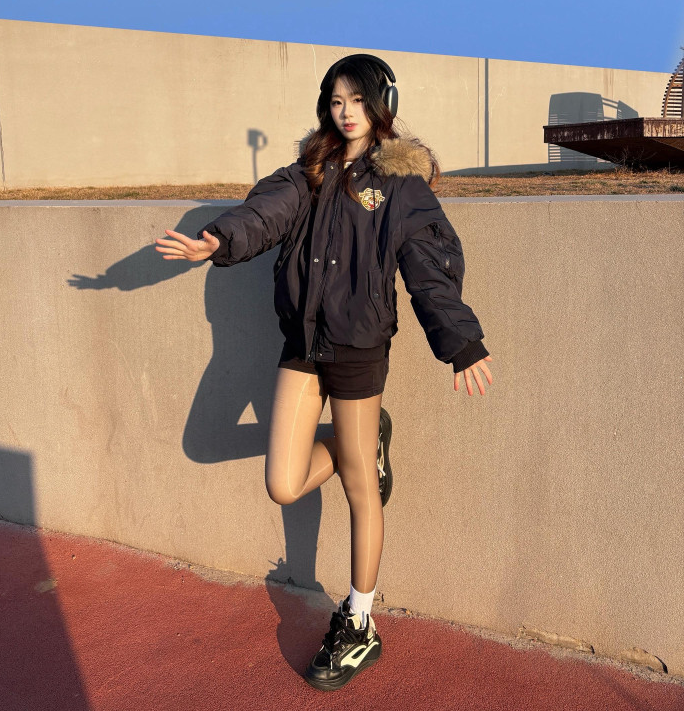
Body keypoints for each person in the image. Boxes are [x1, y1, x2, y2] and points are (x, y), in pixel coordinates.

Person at [155, 54, 493, 691]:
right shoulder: (309, 171)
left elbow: (429, 266)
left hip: (360, 346)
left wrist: (461, 341)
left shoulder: (401, 185)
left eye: (358, 100)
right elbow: (263, 215)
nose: (346, 112)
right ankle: (356, 444)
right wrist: (216, 240)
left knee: (362, 489)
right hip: (304, 344)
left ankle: (360, 620)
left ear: (381, 104)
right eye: (336, 101)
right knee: (284, 483)